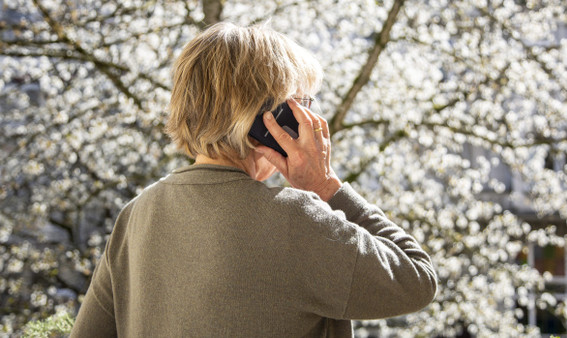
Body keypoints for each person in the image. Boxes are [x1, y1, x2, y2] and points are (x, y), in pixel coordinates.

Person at [71, 22, 437, 337]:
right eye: (303, 104)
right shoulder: (295, 220)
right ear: (269, 119)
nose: (310, 118)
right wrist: (326, 187)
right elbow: (417, 280)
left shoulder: (136, 214)